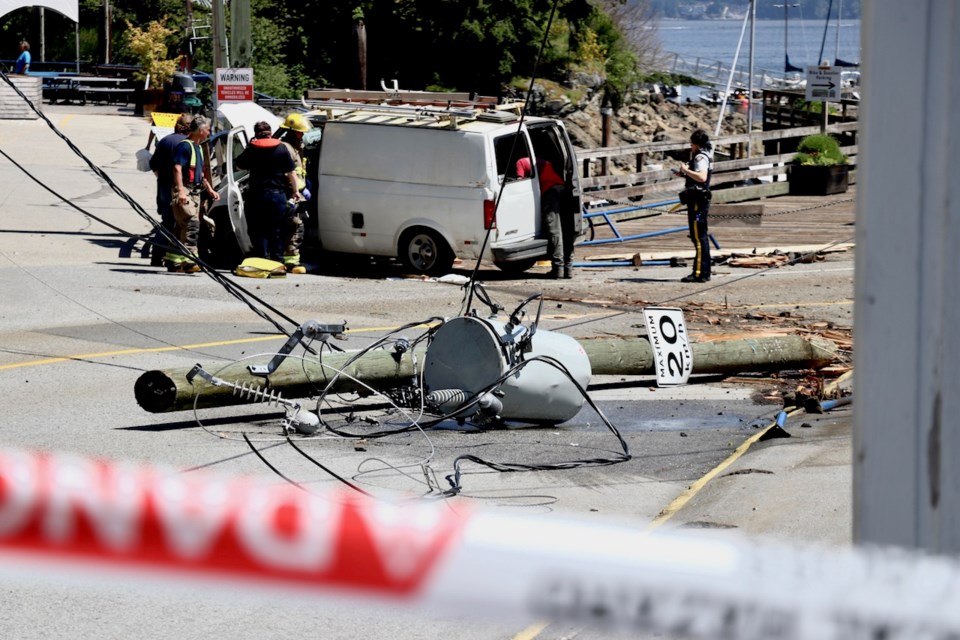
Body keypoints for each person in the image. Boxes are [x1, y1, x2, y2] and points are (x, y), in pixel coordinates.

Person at [235, 120, 302, 270]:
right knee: (277, 229)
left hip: (258, 195)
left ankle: (262, 261)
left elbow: (239, 165)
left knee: (259, 230)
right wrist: (295, 191)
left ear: (256, 134)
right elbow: (291, 172)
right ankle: (278, 262)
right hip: (278, 196)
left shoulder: (253, 148)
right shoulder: (281, 148)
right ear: (270, 133)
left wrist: (249, 147)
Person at [167, 115, 219, 273]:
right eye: (208, 130)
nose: (209, 132)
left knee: (182, 226)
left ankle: (173, 260)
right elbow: (177, 169)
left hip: (195, 192)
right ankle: (190, 260)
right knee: (192, 223)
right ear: (201, 130)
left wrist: (209, 189)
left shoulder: (198, 148)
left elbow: (200, 173)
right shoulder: (185, 146)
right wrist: (181, 191)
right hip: (185, 190)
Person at [516, 156, 574, 279]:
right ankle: (569, 269)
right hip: (563, 189)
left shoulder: (520, 162)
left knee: (555, 231)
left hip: (550, 194)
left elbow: (519, 184)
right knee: (567, 230)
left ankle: (557, 268)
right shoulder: (544, 161)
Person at [148, 114, 193, 266]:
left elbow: (153, 164)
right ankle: (173, 257)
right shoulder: (188, 144)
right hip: (180, 188)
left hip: (164, 186)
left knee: (167, 220)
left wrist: (163, 179)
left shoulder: (165, 141)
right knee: (180, 222)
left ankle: (157, 255)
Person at [272, 113, 312, 273]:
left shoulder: (295, 147)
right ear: (293, 132)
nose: (302, 135)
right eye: (300, 132)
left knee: (293, 226)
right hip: (290, 193)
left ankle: (289, 259)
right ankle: (291, 261)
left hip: (295, 193)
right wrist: (300, 188)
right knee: (295, 226)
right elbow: (288, 173)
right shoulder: (286, 148)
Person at [674, 128, 714, 283]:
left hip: (698, 201)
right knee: (701, 236)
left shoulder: (699, 158)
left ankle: (699, 272)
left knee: (698, 237)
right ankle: (705, 271)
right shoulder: (707, 155)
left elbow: (702, 177)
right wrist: (686, 173)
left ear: (696, 144)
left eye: (691, 143)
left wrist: (686, 170)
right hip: (700, 199)